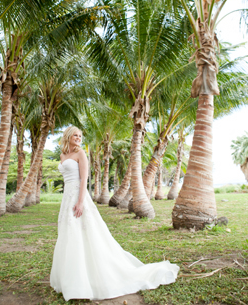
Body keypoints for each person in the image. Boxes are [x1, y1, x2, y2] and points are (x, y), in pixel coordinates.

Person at [50, 126, 179, 301]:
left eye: (80, 135)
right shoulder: (63, 156)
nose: (79, 138)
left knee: (85, 233)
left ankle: (88, 279)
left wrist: (80, 202)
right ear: (68, 136)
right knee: (69, 233)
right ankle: (70, 279)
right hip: (67, 198)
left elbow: (83, 181)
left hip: (78, 197)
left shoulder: (81, 154)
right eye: (75, 135)